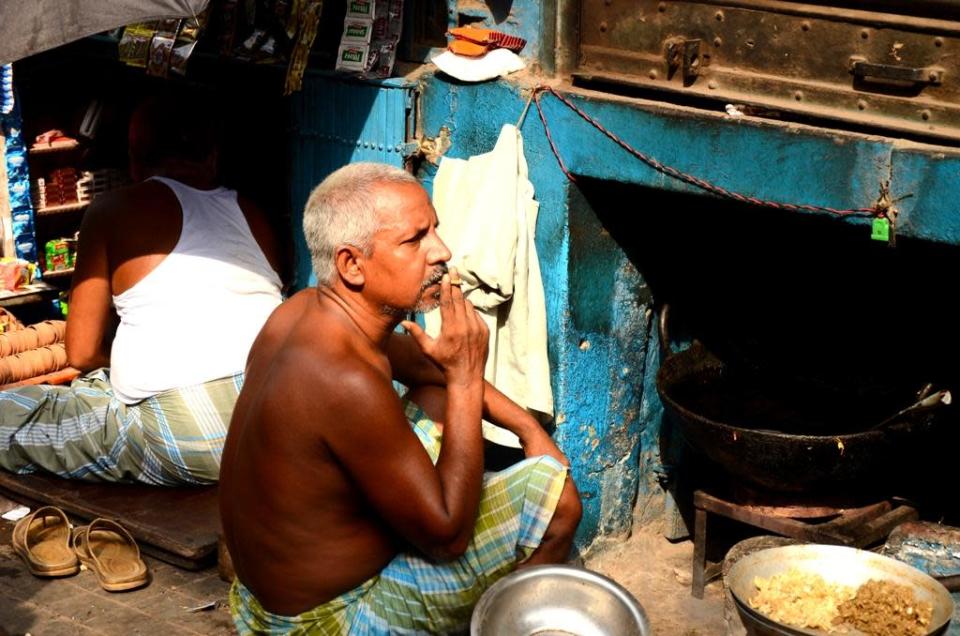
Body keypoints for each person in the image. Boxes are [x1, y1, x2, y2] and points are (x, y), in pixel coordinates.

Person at [220, 162, 582, 634]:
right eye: (415, 241)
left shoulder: (302, 311)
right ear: (352, 265)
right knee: (557, 499)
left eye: (434, 230)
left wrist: (529, 429)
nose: (443, 252)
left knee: (435, 399)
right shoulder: (343, 380)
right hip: (323, 620)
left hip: (268, 595)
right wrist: (468, 374)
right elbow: (448, 535)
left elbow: (423, 365)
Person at [0, 92, 284, 485]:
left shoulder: (113, 210)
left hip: (192, 440)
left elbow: (81, 353)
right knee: (98, 390)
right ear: (213, 156)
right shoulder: (252, 214)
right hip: (274, 426)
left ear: (133, 161)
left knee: (10, 414)